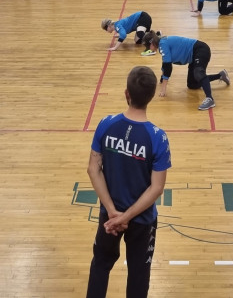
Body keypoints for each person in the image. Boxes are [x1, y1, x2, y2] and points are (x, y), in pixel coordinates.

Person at [86, 66, 171, 298]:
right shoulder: (157, 137)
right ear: (151, 96)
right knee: (138, 276)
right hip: (142, 221)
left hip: (108, 218)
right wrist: (126, 217)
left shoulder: (106, 124)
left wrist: (113, 212)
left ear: (127, 93)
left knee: (100, 265)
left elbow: (93, 170)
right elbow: (157, 188)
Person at [142, 31, 230, 111]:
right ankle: (220, 75)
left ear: (152, 43)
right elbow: (165, 63)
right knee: (192, 84)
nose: (148, 49)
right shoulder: (162, 43)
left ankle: (210, 99)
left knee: (198, 73)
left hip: (200, 50)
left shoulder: (163, 44)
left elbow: (168, 66)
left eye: (147, 46)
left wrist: (164, 88)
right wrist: (162, 77)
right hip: (193, 57)